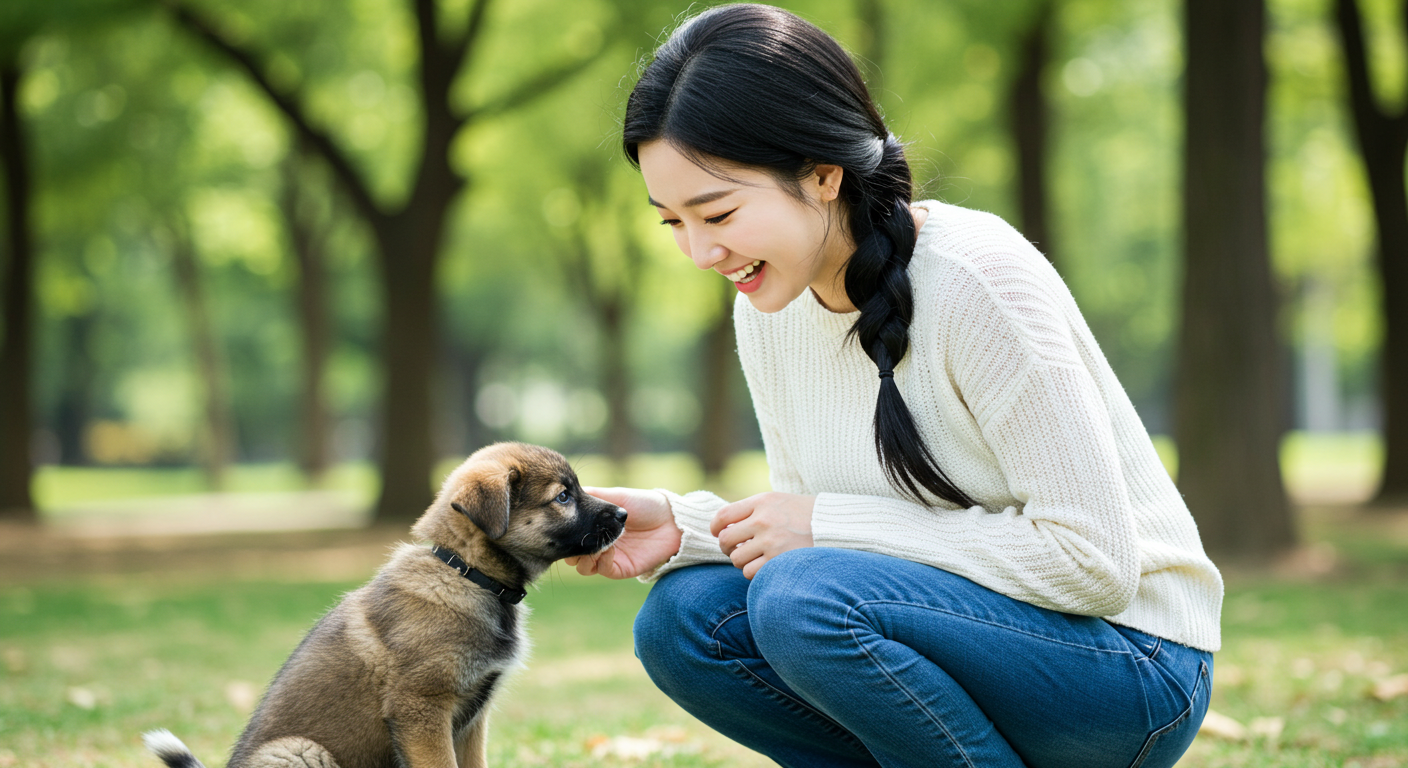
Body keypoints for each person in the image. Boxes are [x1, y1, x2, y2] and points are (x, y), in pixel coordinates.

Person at [564, 5, 1223, 767]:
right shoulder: (768, 308)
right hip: (968, 639)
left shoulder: (978, 279)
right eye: (671, 222)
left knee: (803, 602)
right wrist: (690, 527)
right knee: (683, 622)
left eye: (716, 212)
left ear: (821, 173)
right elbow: (833, 538)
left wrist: (818, 532)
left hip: (1129, 667)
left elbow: (1093, 565)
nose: (700, 251)